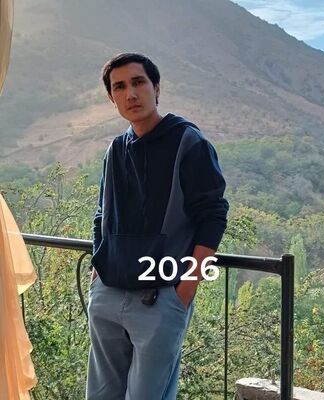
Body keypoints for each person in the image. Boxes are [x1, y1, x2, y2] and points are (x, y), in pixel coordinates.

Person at [86, 53, 229, 400]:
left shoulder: (188, 142)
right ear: (111, 97)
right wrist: (98, 271)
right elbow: (102, 214)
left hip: (159, 297)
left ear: (157, 88)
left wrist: (186, 288)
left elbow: (213, 215)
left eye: (138, 82)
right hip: (108, 293)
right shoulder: (116, 149)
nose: (131, 94)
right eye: (120, 87)